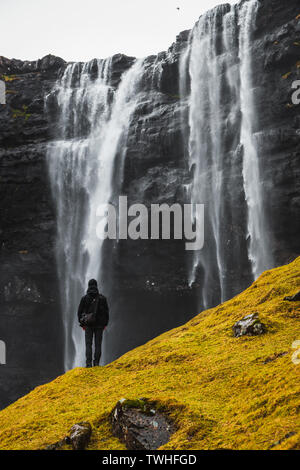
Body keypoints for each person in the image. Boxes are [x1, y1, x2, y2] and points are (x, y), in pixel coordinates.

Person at [77, 279, 109, 368]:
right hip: (99, 326)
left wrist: (83, 324)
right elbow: (106, 313)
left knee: (88, 344)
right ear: (96, 286)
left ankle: (88, 364)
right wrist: (104, 324)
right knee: (98, 344)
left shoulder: (84, 298)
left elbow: (79, 313)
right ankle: (96, 363)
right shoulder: (102, 298)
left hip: (88, 325)